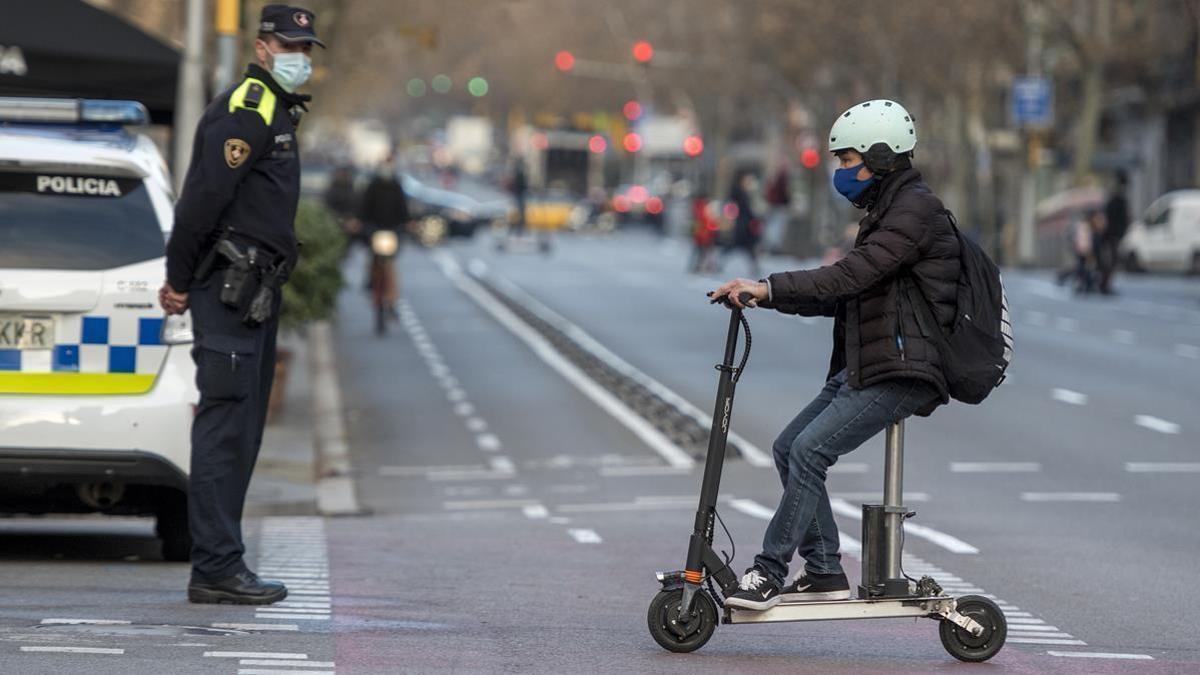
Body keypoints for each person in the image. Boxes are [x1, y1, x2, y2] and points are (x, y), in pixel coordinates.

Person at [710, 99, 960, 610]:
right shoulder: (888, 209)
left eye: (847, 161)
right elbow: (845, 295)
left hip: (901, 368)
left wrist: (769, 288)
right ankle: (824, 569)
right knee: (788, 447)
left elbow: (850, 276)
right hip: (868, 361)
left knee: (809, 452)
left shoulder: (913, 211)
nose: (840, 173)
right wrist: (766, 297)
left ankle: (768, 571)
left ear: (882, 157)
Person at [159, 4, 324, 605]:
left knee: (243, 430)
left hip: (252, 295)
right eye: (289, 47)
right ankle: (216, 567)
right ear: (261, 48)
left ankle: (224, 562)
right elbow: (200, 203)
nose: (298, 59)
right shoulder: (247, 110)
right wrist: (177, 280)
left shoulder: (276, 111)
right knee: (226, 430)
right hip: (227, 291)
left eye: (305, 50)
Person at [358, 153, 410, 316]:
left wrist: (408, 223)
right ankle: (370, 281)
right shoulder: (372, 186)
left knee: (390, 266)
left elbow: (404, 209)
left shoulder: (396, 186)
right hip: (375, 230)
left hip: (392, 232)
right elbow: (363, 208)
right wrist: (360, 223)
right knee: (372, 259)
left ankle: (392, 300)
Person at [720, 172, 762, 277]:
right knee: (736, 245)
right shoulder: (738, 194)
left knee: (746, 247)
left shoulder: (745, 193)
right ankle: (717, 262)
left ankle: (755, 267)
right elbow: (733, 208)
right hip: (741, 225)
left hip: (746, 225)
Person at [1098, 172, 1129, 295]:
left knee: (1110, 261)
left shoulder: (1115, 198)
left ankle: (1104, 284)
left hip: (1112, 234)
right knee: (1110, 261)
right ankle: (1104, 284)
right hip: (1112, 234)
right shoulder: (1117, 200)